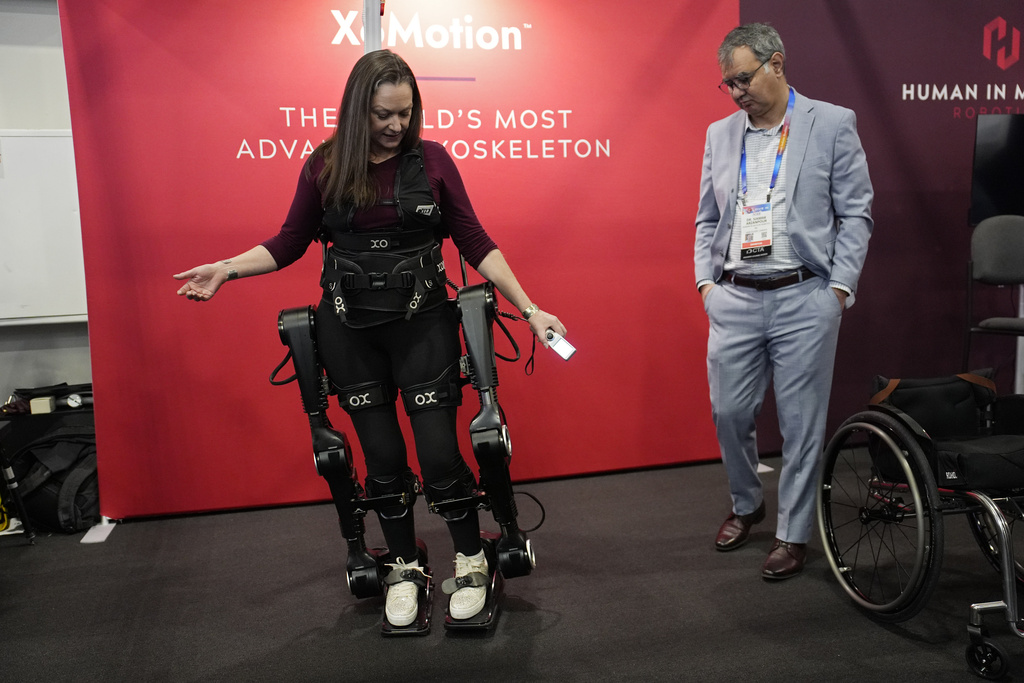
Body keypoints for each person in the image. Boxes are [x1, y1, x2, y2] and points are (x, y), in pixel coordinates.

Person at [174, 49, 565, 625]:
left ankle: (471, 558)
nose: (396, 126)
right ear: (358, 110)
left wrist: (530, 309)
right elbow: (288, 241)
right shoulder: (324, 166)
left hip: (424, 325)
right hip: (350, 330)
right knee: (381, 458)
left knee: (437, 454)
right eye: (384, 114)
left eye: (405, 114)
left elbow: (475, 241)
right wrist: (227, 268)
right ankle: (405, 565)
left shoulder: (432, 161)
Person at [694, 24, 873, 580]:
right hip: (736, 297)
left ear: (776, 63)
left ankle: (793, 534)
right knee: (729, 413)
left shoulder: (832, 123)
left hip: (805, 296)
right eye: (727, 84)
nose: (736, 91)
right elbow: (706, 217)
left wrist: (839, 289)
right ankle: (747, 502)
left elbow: (857, 212)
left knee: (801, 424)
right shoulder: (719, 134)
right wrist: (706, 284)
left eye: (743, 78)